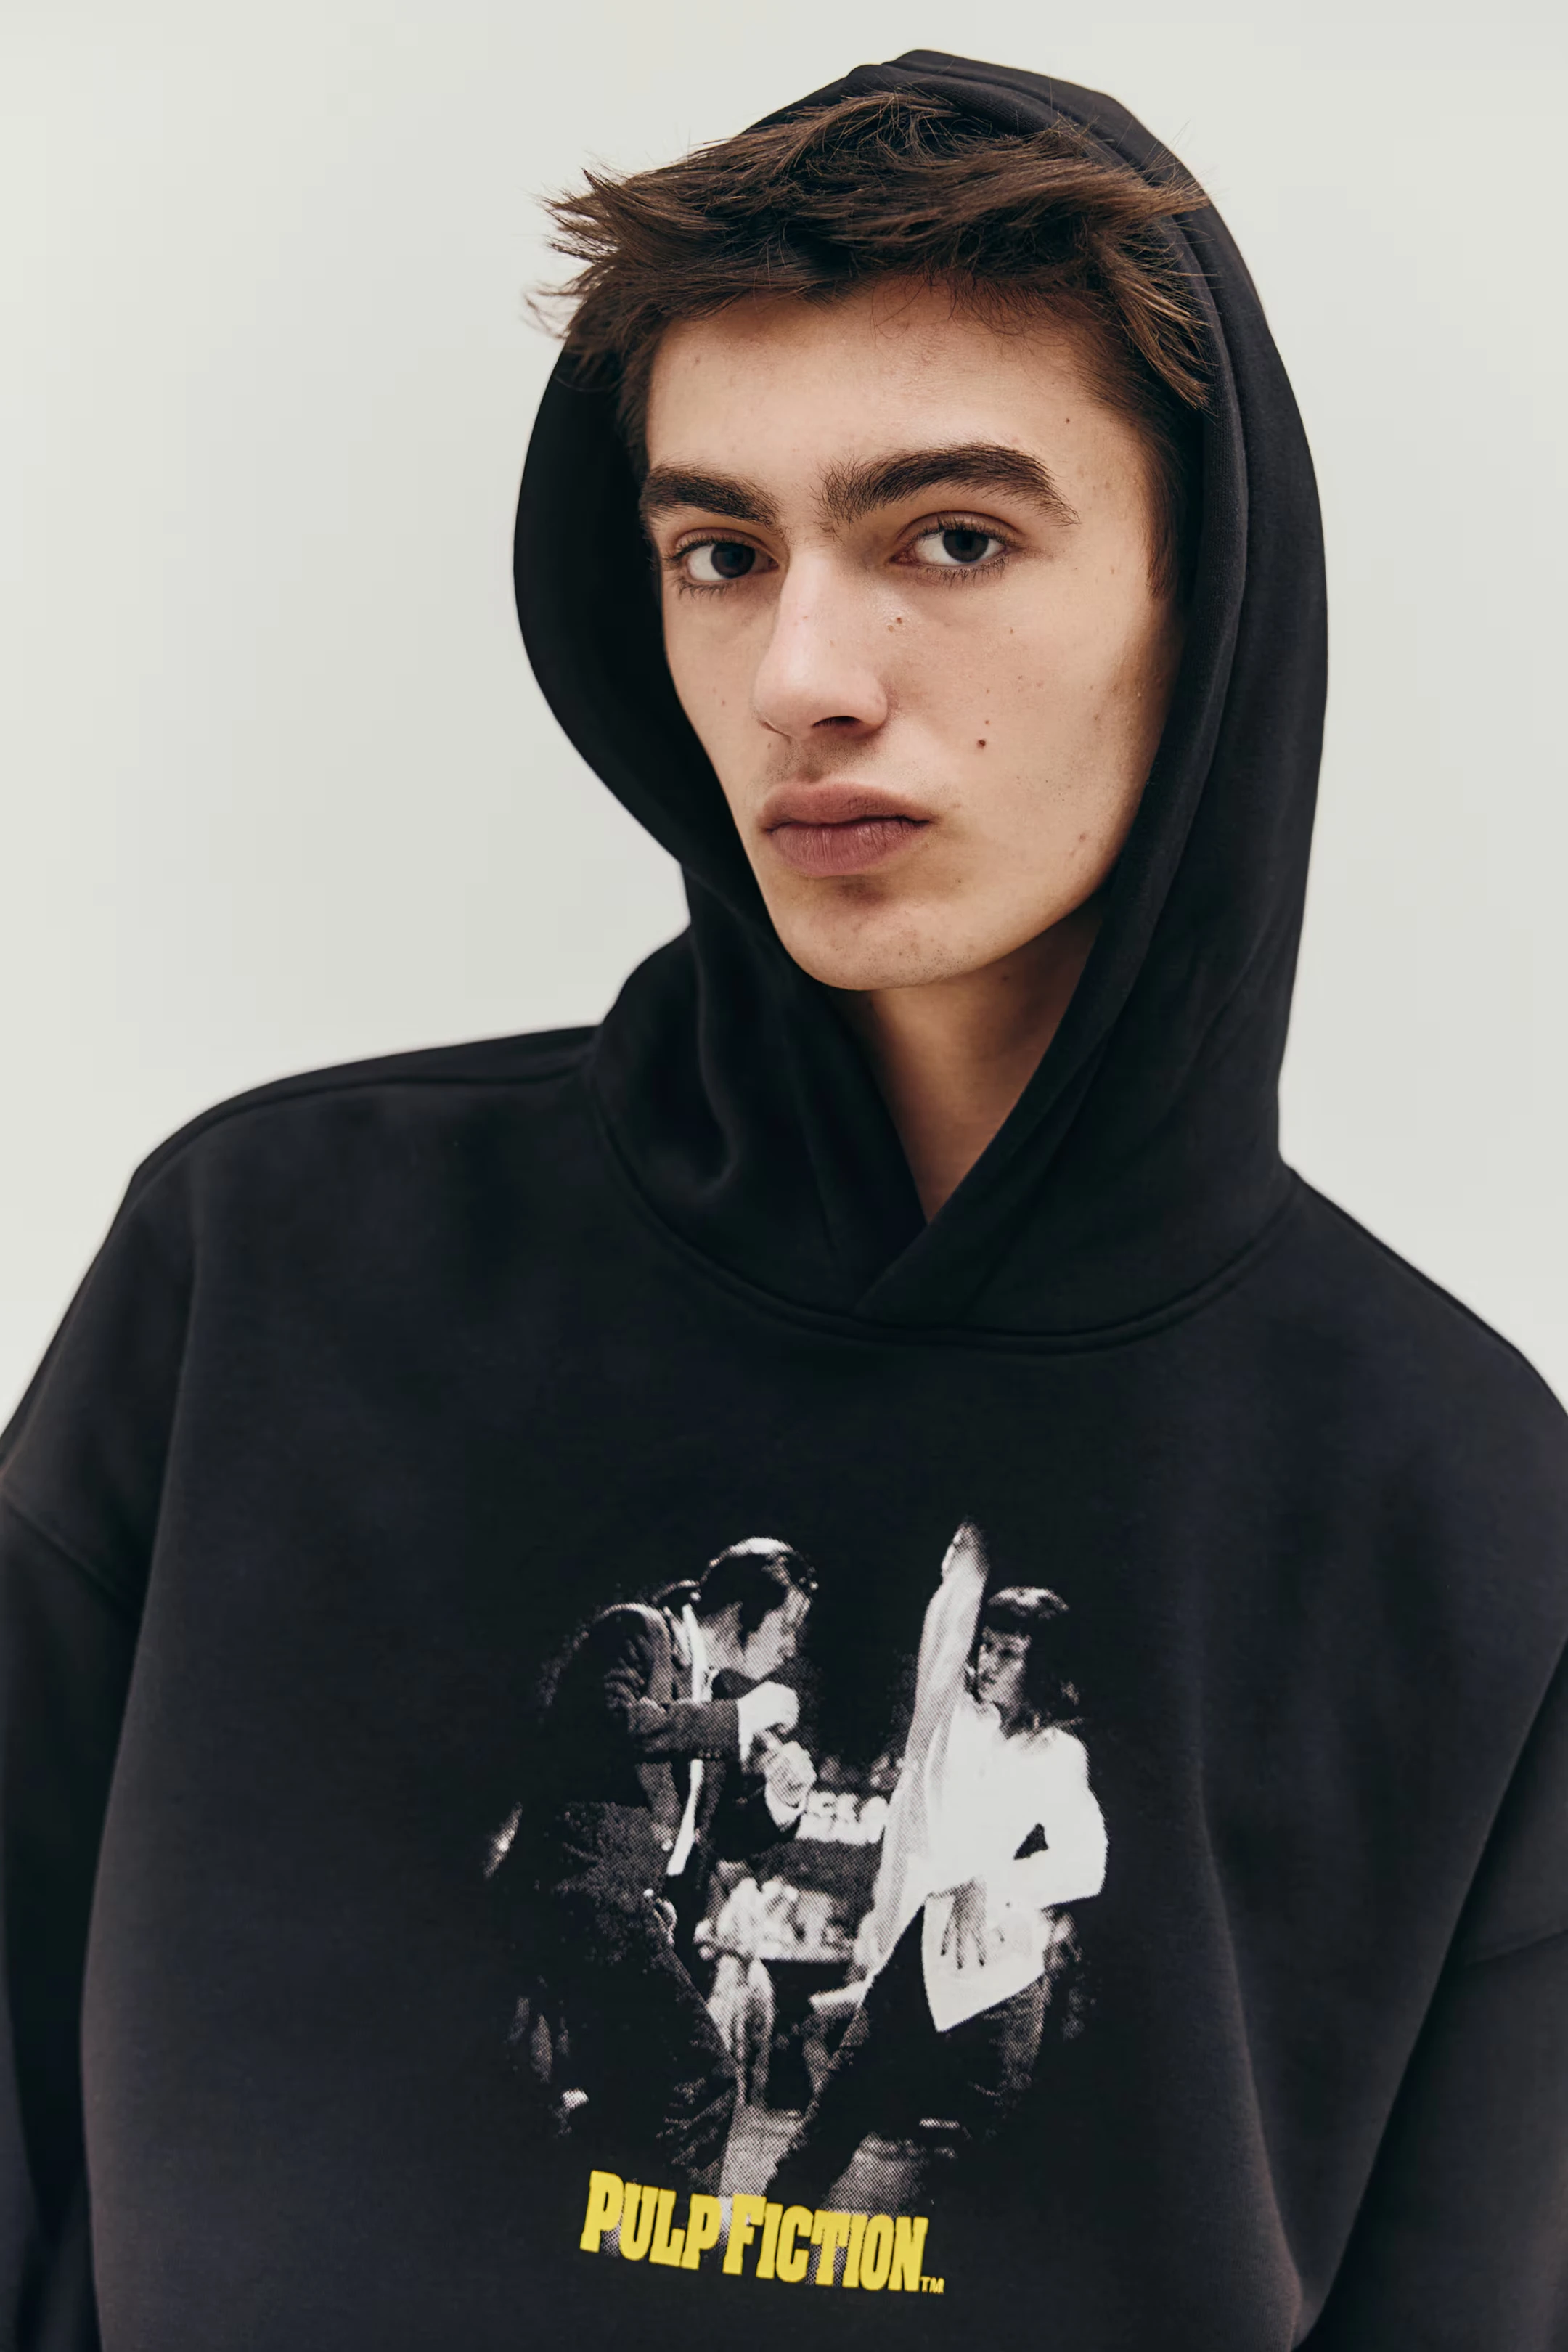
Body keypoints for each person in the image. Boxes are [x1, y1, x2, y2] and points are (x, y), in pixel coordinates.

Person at [2, 48, 1566, 2352]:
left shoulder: (1461, 1510)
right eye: (722, 555)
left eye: (954, 538)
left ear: (1209, 601)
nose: (802, 678)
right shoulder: (267, 1278)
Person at [767, 1524, 1106, 2208]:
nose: (988, 1662)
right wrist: (968, 1561)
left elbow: (1089, 1862)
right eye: (988, 1646)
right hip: (920, 1957)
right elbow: (948, 1630)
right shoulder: (947, 1714)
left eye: (1009, 1653)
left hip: (1006, 1977)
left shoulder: (1060, 1756)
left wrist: (996, 1884)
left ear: (1041, 1667)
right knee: (830, 2126)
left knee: (997, 2159)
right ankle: (763, 2240)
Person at [494, 1539, 815, 2188]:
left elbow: (713, 1835)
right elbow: (605, 1724)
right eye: (787, 1626)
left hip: (628, 1923)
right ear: (742, 1610)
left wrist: (780, 1802)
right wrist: (737, 1719)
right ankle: (669, 2243)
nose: (791, 1648)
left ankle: (579, 2217)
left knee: (624, 2103)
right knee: (703, 2080)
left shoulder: (709, 1697)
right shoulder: (637, 1632)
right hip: (578, 1898)